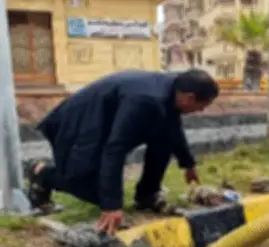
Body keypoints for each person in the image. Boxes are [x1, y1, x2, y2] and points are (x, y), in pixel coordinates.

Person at [27, 69, 219, 234]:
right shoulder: (147, 100)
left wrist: (188, 164)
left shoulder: (172, 91)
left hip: (103, 124)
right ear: (189, 97)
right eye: (202, 106)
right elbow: (115, 149)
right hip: (76, 125)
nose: (201, 111)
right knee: (93, 189)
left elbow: (172, 129)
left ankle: (147, 196)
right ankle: (43, 174)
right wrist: (111, 205)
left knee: (163, 138)